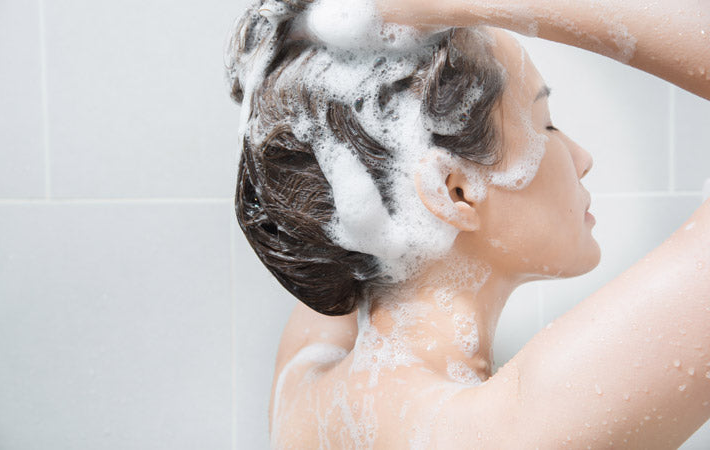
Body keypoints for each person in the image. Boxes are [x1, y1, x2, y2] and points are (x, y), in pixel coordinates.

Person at [226, 0, 710, 447]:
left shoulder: (302, 387)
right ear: (454, 192)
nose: (582, 158)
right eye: (546, 123)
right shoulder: (521, 427)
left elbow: (328, 181)